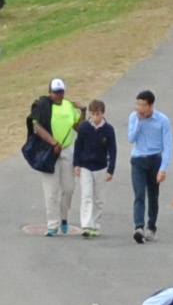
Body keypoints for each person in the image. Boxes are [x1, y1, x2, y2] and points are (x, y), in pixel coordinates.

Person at [27, 78, 83, 235]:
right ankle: (52, 224)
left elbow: (79, 127)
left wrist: (83, 111)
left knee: (68, 188)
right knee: (51, 191)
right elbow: (36, 126)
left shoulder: (68, 106)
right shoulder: (44, 106)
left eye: (61, 92)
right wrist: (53, 143)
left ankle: (64, 217)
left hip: (67, 150)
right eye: (55, 92)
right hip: (49, 151)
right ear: (49, 92)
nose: (59, 95)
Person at [68, 95, 117, 237]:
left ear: (103, 113)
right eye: (93, 114)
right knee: (87, 195)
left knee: (98, 198)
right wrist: (76, 164)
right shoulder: (84, 127)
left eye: (98, 114)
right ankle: (86, 225)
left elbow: (112, 150)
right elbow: (78, 146)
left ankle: (95, 224)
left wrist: (111, 169)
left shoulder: (108, 130)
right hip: (85, 166)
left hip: (101, 166)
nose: (95, 117)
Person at [127, 89, 172, 244]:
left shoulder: (162, 120)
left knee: (153, 196)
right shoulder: (134, 117)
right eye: (138, 104)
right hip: (138, 160)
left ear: (151, 105)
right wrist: (139, 121)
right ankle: (138, 227)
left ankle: (151, 227)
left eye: (143, 105)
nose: (139, 107)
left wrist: (163, 168)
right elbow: (131, 137)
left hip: (155, 160)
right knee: (139, 194)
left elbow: (168, 145)